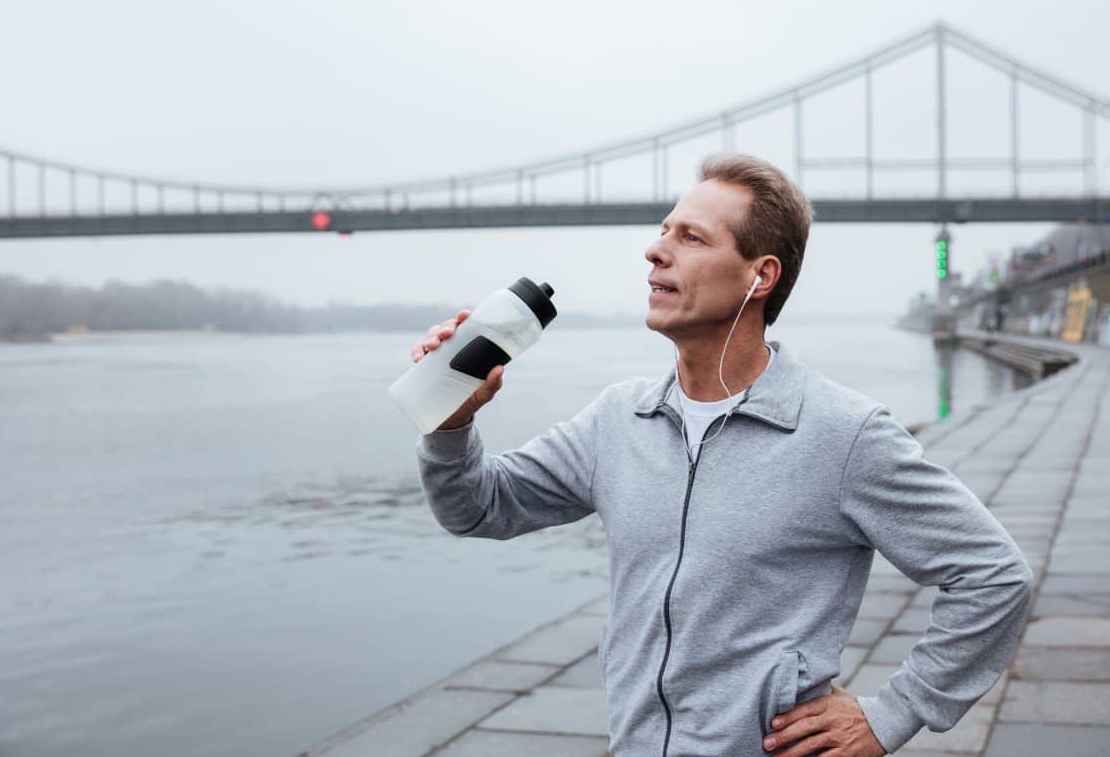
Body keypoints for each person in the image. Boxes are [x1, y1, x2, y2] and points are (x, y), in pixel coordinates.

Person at [411, 153, 1034, 757]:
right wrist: (453, 420)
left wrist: (893, 713)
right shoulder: (617, 420)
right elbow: (476, 508)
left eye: (691, 238)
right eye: (662, 232)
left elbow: (993, 576)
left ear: (759, 277)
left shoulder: (843, 435)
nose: (656, 250)